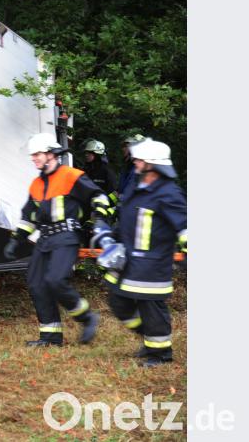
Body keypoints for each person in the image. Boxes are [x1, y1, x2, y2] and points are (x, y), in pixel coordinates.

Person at [3, 133, 109, 347]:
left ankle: (87, 317)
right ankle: (50, 337)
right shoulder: (36, 184)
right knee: (36, 284)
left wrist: (99, 219)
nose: (33, 158)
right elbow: (29, 217)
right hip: (45, 239)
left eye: (37, 154)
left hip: (66, 236)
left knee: (55, 280)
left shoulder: (72, 176)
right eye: (32, 155)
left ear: (51, 154)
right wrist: (17, 239)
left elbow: (99, 197)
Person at [96, 139, 186, 367]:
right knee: (118, 301)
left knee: (152, 308)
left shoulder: (168, 193)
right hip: (128, 262)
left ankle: (160, 354)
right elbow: (128, 222)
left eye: (140, 159)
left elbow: (184, 226)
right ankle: (149, 338)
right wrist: (108, 235)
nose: (135, 161)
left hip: (152, 265)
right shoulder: (138, 188)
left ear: (153, 164)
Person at [116, 134, 147, 199]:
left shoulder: (141, 169)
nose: (123, 149)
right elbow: (119, 191)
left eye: (127, 146)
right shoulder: (127, 166)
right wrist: (106, 199)